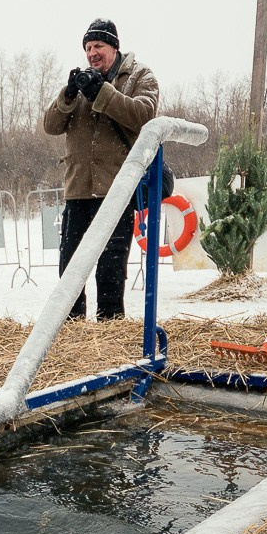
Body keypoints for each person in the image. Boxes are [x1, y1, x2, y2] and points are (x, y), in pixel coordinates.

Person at [43, 18, 170, 320]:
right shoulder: (83, 81)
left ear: (114, 47)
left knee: (111, 266)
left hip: (116, 189)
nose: (92, 53)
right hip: (78, 190)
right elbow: (50, 126)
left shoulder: (141, 76)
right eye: (87, 48)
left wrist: (103, 92)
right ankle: (69, 326)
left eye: (98, 45)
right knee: (71, 265)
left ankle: (110, 325)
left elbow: (144, 115)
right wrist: (69, 94)